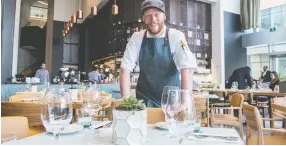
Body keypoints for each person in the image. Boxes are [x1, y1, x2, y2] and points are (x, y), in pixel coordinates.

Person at [119, 0, 197, 107]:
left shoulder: (176, 36)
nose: (153, 20)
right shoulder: (137, 38)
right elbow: (125, 69)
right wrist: (126, 103)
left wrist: (184, 105)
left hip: (171, 102)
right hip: (144, 102)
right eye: (148, 16)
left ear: (164, 16)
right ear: (144, 19)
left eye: (157, 15)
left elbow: (186, 70)